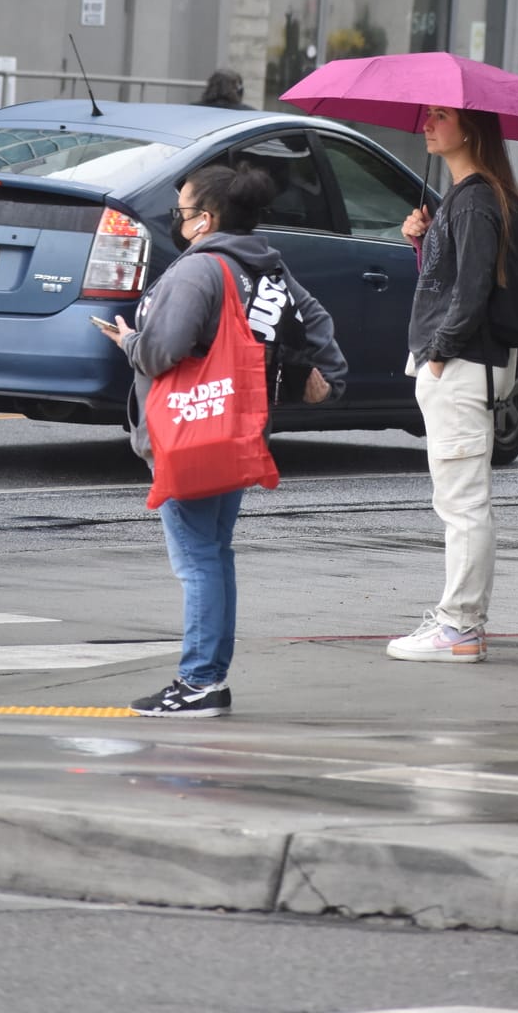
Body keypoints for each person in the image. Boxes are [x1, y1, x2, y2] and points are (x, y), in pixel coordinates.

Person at [108, 163, 346, 717]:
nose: (177, 219)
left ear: (205, 220)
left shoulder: (199, 270)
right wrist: (329, 380)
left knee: (197, 561)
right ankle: (208, 677)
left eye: (183, 210)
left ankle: (199, 681)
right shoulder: (268, 268)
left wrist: (129, 341)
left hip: (190, 435)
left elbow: (162, 351)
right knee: (214, 555)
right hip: (236, 430)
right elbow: (315, 321)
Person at [387, 106, 518, 665]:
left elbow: (474, 289)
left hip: (462, 366)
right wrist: (422, 241)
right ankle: (459, 623)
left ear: (471, 128)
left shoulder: (476, 201)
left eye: (441, 116)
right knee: (459, 501)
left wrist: (440, 351)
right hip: (463, 365)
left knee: (463, 505)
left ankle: (459, 627)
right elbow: (450, 281)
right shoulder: (468, 199)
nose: (427, 125)